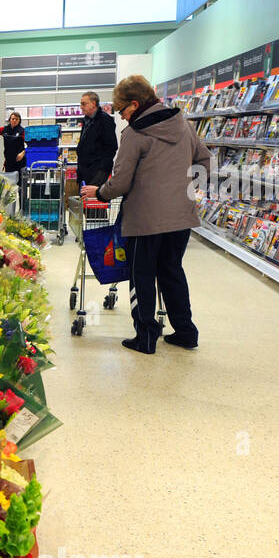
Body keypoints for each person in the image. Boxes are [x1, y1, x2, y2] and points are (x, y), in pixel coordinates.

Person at [81, 74, 209, 355]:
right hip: (180, 217)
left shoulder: (135, 134)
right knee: (172, 271)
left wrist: (99, 192)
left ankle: (146, 337)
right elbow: (204, 159)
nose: (123, 118)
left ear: (136, 104)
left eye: (123, 111)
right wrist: (186, 188)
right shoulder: (184, 125)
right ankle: (186, 332)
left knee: (142, 276)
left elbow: (122, 181)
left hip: (145, 220)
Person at [75, 90, 117, 188]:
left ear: (94, 103)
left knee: (94, 202)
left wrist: (102, 170)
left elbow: (112, 147)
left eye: (84, 104)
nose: (81, 107)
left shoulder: (105, 120)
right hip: (85, 171)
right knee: (85, 201)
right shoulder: (86, 120)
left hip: (97, 172)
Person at [0, 111, 26, 188]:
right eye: (13, 119)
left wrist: (23, 153)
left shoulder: (22, 131)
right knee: (9, 184)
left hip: (19, 162)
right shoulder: (5, 130)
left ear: (19, 121)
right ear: (10, 120)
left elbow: (30, 145)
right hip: (8, 162)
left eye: (17, 119)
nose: (14, 120)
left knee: (19, 184)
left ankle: (20, 199)